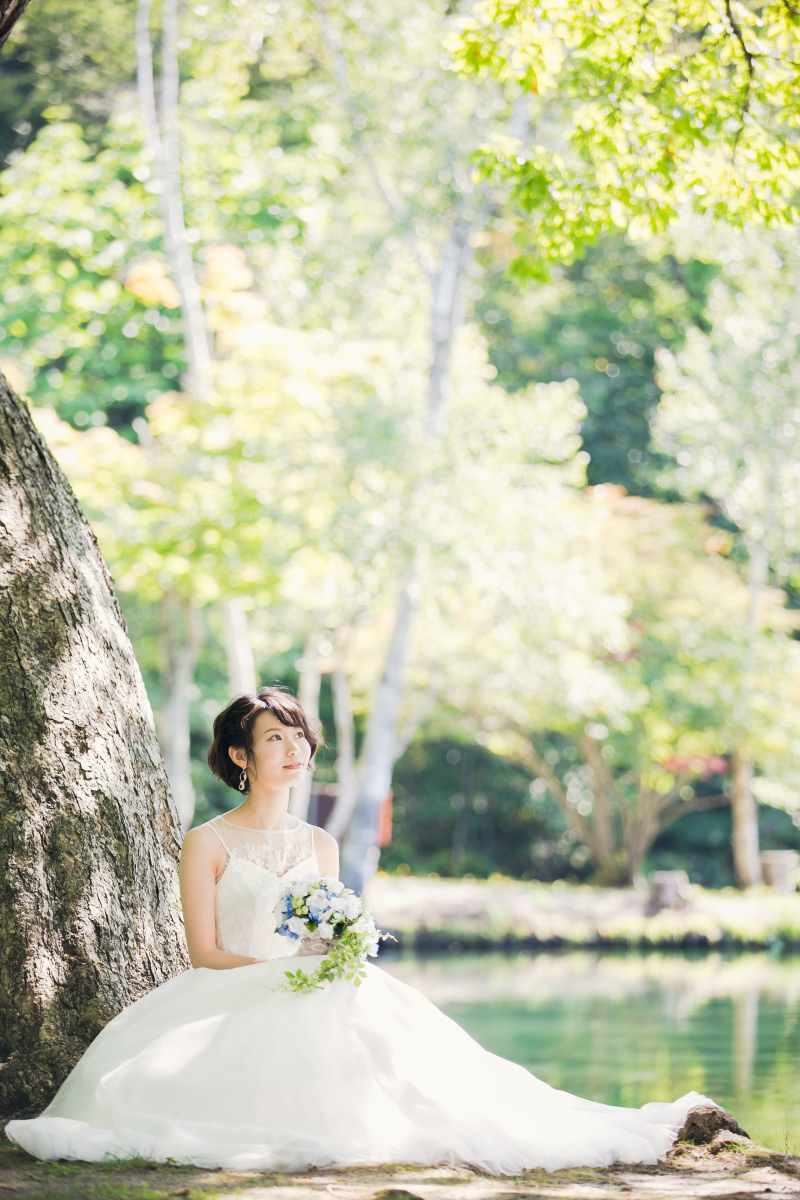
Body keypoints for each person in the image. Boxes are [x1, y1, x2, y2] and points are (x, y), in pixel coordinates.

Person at [6, 687, 719, 1174]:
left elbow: (329, 930)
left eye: (299, 738)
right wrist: (282, 975)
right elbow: (205, 953)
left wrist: (336, 951)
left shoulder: (320, 844)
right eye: (273, 739)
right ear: (239, 757)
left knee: (406, 1034)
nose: (293, 750)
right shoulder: (208, 842)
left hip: (317, 986)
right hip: (227, 992)